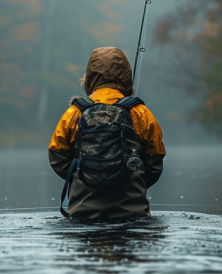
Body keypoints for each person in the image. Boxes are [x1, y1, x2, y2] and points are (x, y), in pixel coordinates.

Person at [48, 47, 166, 220]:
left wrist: (84, 175)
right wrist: (132, 177)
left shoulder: (74, 113)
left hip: (83, 215)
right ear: (126, 76)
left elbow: (57, 158)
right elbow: (154, 163)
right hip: (132, 214)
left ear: (89, 78)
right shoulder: (140, 113)